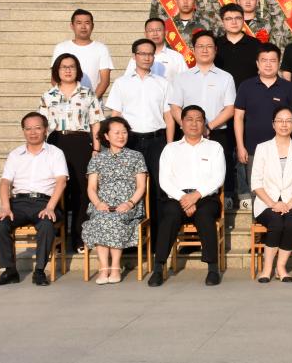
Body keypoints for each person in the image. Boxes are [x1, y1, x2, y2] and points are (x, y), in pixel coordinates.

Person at [147, 105, 226, 287]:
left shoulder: (214, 148)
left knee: (204, 214)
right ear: (181, 124)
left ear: (204, 124)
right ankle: (158, 268)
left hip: (205, 197)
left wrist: (195, 196)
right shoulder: (170, 149)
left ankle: (212, 269)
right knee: (170, 214)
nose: (194, 123)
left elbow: (218, 178)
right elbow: (164, 180)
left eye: (198, 120)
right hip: (176, 198)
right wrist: (184, 198)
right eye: (189, 119)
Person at [0, 113, 68, 287]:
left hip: (44, 202)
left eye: (37, 128)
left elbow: (61, 181)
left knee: (46, 224)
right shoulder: (15, 154)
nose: (33, 132)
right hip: (18, 203)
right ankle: (10, 271)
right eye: (28, 129)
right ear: (23, 131)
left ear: (45, 130)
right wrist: (5, 207)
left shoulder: (55, 153)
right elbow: (5, 182)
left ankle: (39, 271)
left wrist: (50, 207)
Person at [107, 39, 174, 236]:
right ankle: (130, 236)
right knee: (129, 186)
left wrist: (170, 145)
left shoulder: (163, 83)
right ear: (134, 56)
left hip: (156, 140)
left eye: (150, 54)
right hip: (130, 141)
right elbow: (116, 116)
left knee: (158, 187)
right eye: (142, 53)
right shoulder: (122, 83)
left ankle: (158, 236)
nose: (146, 57)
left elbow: (168, 117)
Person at [40, 53, 104, 253]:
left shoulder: (88, 94)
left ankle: (79, 238)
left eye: (72, 67)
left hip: (80, 143)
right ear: (56, 71)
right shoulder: (48, 96)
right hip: (55, 142)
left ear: (78, 70)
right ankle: (58, 239)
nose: (68, 70)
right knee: (57, 189)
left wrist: (96, 148)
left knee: (81, 191)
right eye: (63, 67)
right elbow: (42, 125)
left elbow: (96, 123)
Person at [168, 31, 237, 208]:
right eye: (200, 46)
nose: (204, 50)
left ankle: (223, 200)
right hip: (188, 135)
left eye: (209, 46)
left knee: (220, 168)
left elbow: (230, 108)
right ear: (193, 50)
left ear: (215, 50)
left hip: (217, 132)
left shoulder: (226, 77)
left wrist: (208, 127)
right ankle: (187, 202)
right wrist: (188, 127)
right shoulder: (182, 77)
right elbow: (175, 107)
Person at [235, 42, 292, 209]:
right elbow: (238, 117)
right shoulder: (246, 86)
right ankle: (259, 225)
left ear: (278, 63)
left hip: (283, 150)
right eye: (264, 60)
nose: (268, 64)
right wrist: (240, 146)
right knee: (257, 190)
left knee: (283, 189)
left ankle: (284, 220)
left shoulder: (288, 87)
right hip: (253, 149)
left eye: (272, 60)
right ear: (257, 63)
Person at [82, 117, 148, 285]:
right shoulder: (97, 158)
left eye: (124, 132)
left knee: (115, 219)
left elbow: (141, 186)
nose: (121, 136)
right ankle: (104, 268)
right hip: (102, 203)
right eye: (116, 133)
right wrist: (98, 203)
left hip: (129, 204)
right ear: (106, 136)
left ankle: (116, 267)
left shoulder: (136, 156)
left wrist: (129, 203)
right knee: (100, 218)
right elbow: (91, 188)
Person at [250, 106, 292, 283]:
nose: (284, 124)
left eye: (288, 121)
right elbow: (256, 183)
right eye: (280, 121)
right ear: (273, 124)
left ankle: (281, 267)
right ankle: (267, 268)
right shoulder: (263, 148)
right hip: (266, 202)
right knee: (276, 223)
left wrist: (289, 204)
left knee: (291, 223)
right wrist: (273, 204)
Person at [51, 8, 113, 99]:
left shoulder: (101, 48)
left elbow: (105, 81)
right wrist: (67, 99)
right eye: (79, 23)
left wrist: (91, 102)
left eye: (87, 23)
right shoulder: (61, 48)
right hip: (66, 102)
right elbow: (54, 78)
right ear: (72, 26)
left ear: (92, 26)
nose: (83, 27)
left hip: (93, 103)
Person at [123, 18, 188, 83]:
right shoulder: (137, 57)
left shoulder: (177, 57)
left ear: (165, 33)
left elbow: (185, 81)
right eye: (151, 30)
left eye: (158, 30)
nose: (155, 34)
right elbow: (127, 81)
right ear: (145, 34)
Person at [216, 3, 262, 92]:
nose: (234, 22)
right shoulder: (215, 44)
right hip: (221, 94)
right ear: (222, 21)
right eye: (229, 19)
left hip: (250, 94)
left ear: (243, 20)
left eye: (238, 18)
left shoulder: (256, 44)